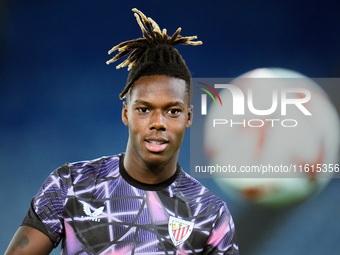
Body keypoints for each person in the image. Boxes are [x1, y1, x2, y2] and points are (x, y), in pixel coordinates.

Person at [5, 8, 239, 255]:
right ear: (126, 113)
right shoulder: (71, 185)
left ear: (188, 117)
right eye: (144, 109)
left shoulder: (210, 214)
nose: (158, 122)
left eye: (172, 111)